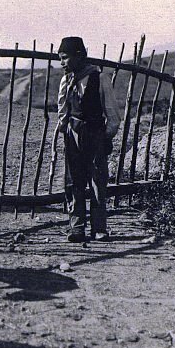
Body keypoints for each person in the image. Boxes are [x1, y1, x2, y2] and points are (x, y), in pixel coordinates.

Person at [56, 36, 120, 242]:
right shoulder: (66, 80)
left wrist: (105, 137)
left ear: (79, 56)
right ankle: (76, 228)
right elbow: (62, 109)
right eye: (60, 58)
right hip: (74, 134)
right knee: (73, 181)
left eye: (65, 58)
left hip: (95, 134)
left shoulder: (99, 78)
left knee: (97, 181)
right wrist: (66, 131)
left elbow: (112, 112)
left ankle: (99, 228)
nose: (62, 63)